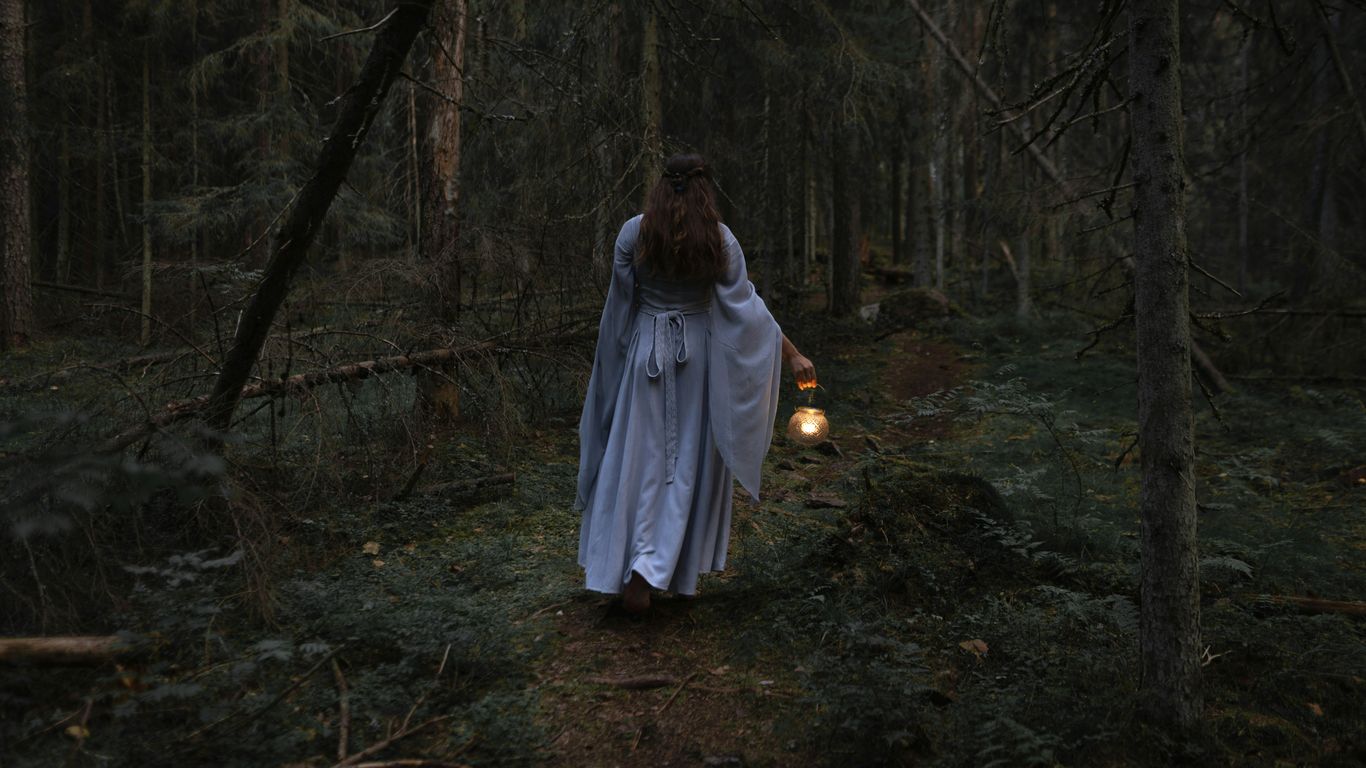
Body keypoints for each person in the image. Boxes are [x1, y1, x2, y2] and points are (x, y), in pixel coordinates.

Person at [575, 153, 817, 614]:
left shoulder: (635, 232)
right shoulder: (719, 240)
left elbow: (619, 311)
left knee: (638, 463)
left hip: (646, 355)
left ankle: (638, 568)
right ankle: (663, 570)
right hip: (697, 362)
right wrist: (791, 353)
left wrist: (616, 366)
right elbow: (748, 310)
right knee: (685, 466)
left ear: (661, 186)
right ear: (705, 190)